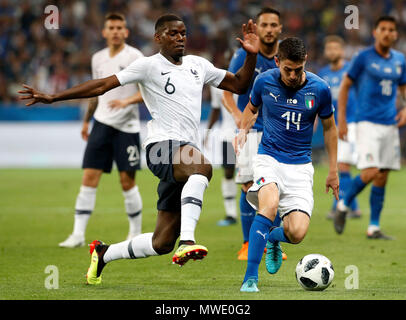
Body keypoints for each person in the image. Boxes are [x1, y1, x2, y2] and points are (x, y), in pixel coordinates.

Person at [19, 14, 260, 285]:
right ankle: (189, 240)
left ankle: (103, 253)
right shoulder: (147, 66)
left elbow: (239, 84)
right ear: (158, 38)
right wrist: (54, 97)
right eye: (173, 34)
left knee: (161, 242)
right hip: (160, 147)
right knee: (203, 167)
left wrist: (251, 55)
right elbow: (102, 85)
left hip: (183, 156)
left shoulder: (198, 65)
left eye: (183, 33)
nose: (180, 38)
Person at [235, 37, 339, 292]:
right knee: (268, 206)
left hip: (301, 167)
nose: (292, 76)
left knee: (297, 233)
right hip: (268, 158)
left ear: (306, 62)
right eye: (287, 69)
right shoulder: (264, 81)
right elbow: (251, 108)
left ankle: (272, 237)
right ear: (278, 61)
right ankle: (250, 279)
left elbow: (330, 129)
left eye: (298, 70)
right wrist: (243, 130)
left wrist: (333, 170)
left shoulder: (320, 89)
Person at [58, 13, 144, 248]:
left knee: (127, 181)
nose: (115, 31)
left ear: (126, 32)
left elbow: (147, 91)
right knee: (89, 178)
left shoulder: (136, 57)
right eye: (111, 28)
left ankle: (134, 233)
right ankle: (77, 234)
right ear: (104, 32)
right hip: (101, 124)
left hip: (127, 127)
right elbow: (96, 92)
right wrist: (87, 121)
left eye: (119, 28)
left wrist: (126, 102)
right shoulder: (97, 58)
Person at [335, 16, 406, 239]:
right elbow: (345, 87)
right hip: (366, 122)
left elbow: (403, 88)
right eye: (383, 29)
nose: (387, 33)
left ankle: (373, 227)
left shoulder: (400, 60)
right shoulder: (362, 58)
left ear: (395, 34)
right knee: (371, 171)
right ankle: (344, 205)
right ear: (375, 32)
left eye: (391, 30)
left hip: (389, 124)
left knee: (383, 174)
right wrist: (343, 120)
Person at [223, 7, 285, 260]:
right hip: (250, 131)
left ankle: (272, 243)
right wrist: (238, 117)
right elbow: (226, 91)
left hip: (278, 132)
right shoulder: (244, 54)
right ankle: (248, 243)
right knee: (249, 186)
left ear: (280, 28)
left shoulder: (286, 56)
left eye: (273, 25)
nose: (269, 29)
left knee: (276, 189)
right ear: (257, 28)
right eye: (265, 25)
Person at [318, 35, 361, 220]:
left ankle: (339, 206)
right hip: (332, 124)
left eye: (336, 48)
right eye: (329, 48)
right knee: (341, 166)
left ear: (342, 51)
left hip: (351, 123)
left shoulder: (351, 70)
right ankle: (354, 208)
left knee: (342, 165)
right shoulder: (323, 73)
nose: (332, 52)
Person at [204, 85, 239, 226]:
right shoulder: (217, 83)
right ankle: (231, 214)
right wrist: (208, 131)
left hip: (250, 133)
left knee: (254, 174)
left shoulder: (250, 77)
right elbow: (216, 109)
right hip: (228, 134)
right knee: (229, 172)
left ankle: (260, 212)